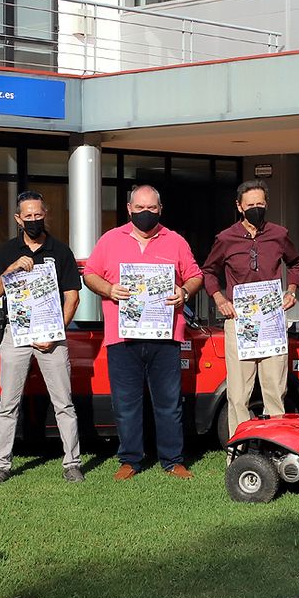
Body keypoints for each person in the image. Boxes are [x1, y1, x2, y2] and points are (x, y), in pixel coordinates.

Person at [82, 184, 203, 480]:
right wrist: (109, 289)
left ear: (160, 209)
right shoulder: (110, 239)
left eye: (151, 208)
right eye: (139, 208)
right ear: (129, 209)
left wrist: (184, 292)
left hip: (165, 336)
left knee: (169, 402)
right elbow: (90, 274)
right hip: (122, 337)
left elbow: (195, 275)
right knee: (126, 402)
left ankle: (172, 460)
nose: (145, 213)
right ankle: (130, 460)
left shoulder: (176, 241)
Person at [0, 190, 84, 484]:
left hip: (52, 336)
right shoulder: (7, 251)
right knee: (7, 403)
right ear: (18, 219)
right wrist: (11, 269)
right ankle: (1, 464)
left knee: (64, 402)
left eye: (37, 215)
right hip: (16, 333)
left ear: (45, 214)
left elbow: (73, 298)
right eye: (27, 216)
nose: (33, 220)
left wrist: (55, 333)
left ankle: (72, 463)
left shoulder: (61, 251)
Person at [202, 179, 299, 439]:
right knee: (238, 393)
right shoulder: (225, 238)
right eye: (250, 205)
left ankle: (276, 445)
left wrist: (291, 290)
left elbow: (296, 263)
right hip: (239, 321)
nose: (255, 209)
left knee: (275, 389)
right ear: (239, 207)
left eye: (260, 204)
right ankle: (239, 448)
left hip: (271, 321)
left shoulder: (279, 234)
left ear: (266, 204)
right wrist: (219, 299)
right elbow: (209, 271)